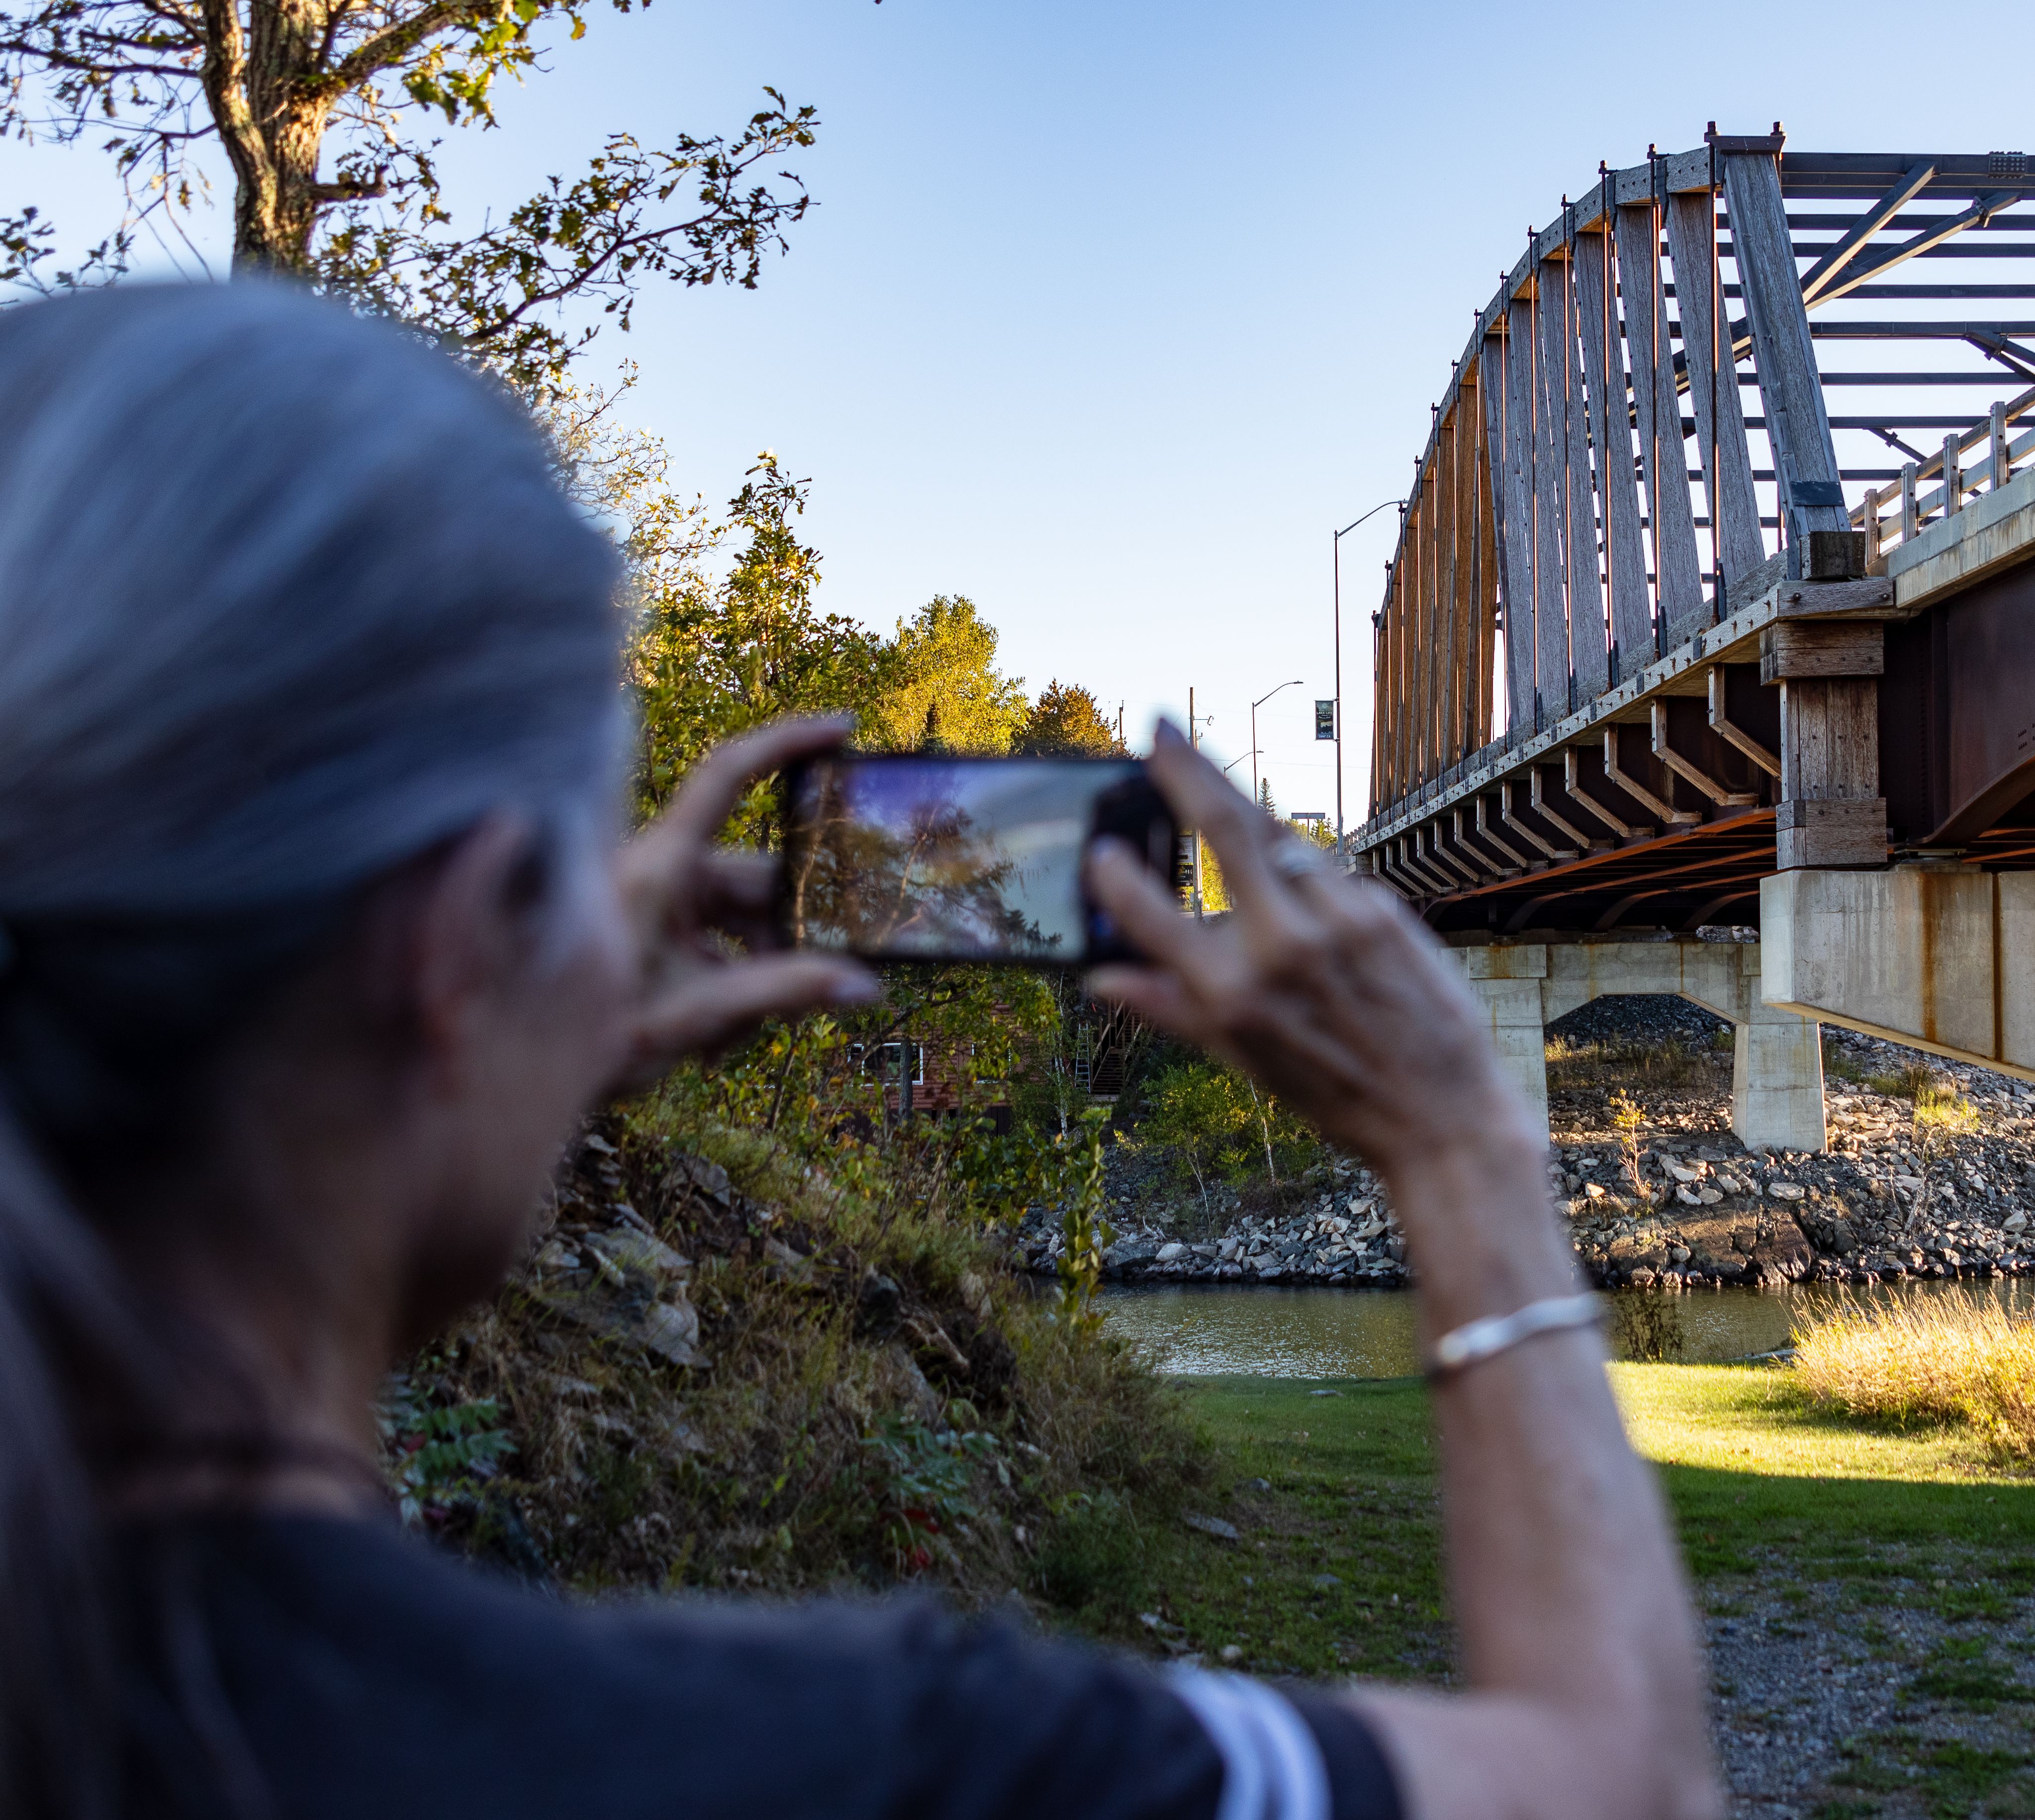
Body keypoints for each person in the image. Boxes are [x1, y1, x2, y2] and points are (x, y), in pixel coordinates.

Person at [0, 283, 1720, 1820]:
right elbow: (1625, 1779)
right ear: (449, 951)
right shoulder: (856, 1756)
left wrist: (465, 1064)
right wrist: (1465, 1149)